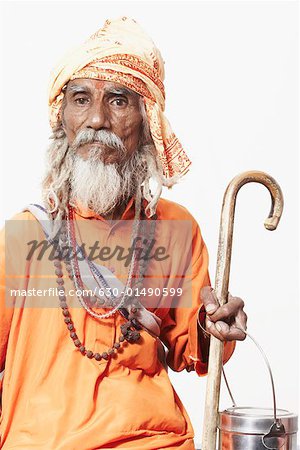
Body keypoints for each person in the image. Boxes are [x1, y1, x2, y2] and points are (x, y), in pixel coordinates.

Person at [0, 17, 247, 450]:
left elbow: (193, 347)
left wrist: (213, 328)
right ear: (64, 120)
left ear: (148, 119)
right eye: (81, 100)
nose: (97, 118)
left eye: (118, 100)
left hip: (154, 441)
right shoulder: (23, 237)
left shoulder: (175, 228)